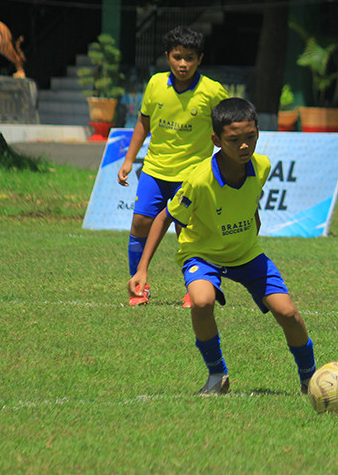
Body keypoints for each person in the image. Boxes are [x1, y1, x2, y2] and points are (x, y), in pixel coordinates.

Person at [128, 98, 316, 395]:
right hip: (202, 254)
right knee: (202, 301)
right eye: (234, 140)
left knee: (288, 313)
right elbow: (166, 216)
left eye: (250, 137)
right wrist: (142, 269)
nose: (244, 146)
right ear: (216, 140)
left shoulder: (262, 166)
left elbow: (249, 198)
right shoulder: (199, 180)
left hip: (246, 253)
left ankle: (311, 378)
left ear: (257, 133)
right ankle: (218, 375)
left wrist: (253, 219)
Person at [118, 26, 227, 307]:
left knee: (187, 231)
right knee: (141, 222)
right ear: (167, 56)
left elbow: (231, 122)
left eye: (190, 58)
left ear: (199, 59)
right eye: (177, 57)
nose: (183, 64)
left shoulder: (212, 91)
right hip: (154, 169)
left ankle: (196, 288)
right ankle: (138, 284)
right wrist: (130, 159)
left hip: (191, 175)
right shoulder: (155, 84)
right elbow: (143, 122)